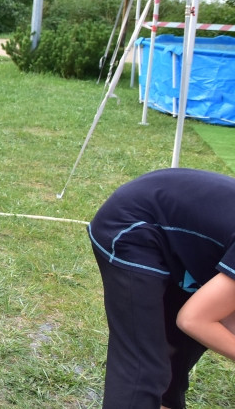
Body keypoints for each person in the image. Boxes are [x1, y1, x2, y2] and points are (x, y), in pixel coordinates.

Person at [88, 167, 235, 409]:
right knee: (143, 367)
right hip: (132, 225)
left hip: (185, 242)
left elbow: (225, 317)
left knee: (176, 351)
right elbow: (194, 320)